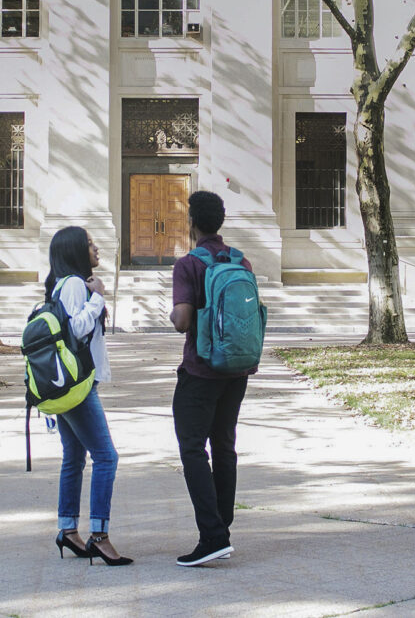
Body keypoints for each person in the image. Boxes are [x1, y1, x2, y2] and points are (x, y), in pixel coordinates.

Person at [168, 190, 256, 567]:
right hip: (237, 369)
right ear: (220, 221)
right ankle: (223, 526)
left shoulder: (189, 264)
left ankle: (213, 535)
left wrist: (173, 312)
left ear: (192, 223)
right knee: (224, 445)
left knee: (192, 448)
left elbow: (183, 321)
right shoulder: (241, 260)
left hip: (201, 370)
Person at [45, 226, 132, 566]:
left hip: (70, 383)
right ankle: (99, 536)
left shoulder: (64, 284)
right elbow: (75, 330)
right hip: (77, 385)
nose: (97, 249)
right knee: (106, 457)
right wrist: (97, 297)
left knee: (74, 457)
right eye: (90, 244)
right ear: (75, 252)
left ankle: (68, 530)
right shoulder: (74, 286)